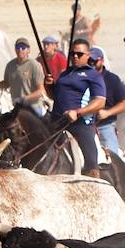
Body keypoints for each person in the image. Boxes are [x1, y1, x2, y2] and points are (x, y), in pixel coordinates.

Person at [46, 38, 105, 174]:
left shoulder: (93, 75)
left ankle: (94, 181)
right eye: (72, 54)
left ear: (87, 55)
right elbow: (55, 96)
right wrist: (49, 86)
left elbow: (100, 102)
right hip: (57, 122)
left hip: (81, 123)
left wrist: (78, 112)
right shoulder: (64, 74)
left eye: (79, 54)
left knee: (91, 161)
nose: (75, 57)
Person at [90, 46, 125, 153]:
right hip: (84, 127)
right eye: (89, 61)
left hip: (104, 126)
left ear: (101, 61)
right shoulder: (82, 78)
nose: (91, 63)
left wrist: (108, 112)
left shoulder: (112, 79)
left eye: (94, 61)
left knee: (112, 157)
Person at [0, 37, 45, 114]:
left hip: (34, 107)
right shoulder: (10, 65)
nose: (20, 50)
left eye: (23, 48)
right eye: (18, 47)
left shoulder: (35, 65)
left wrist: (24, 99)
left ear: (28, 50)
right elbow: (6, 84)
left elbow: (41, 90)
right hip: (17, 107)